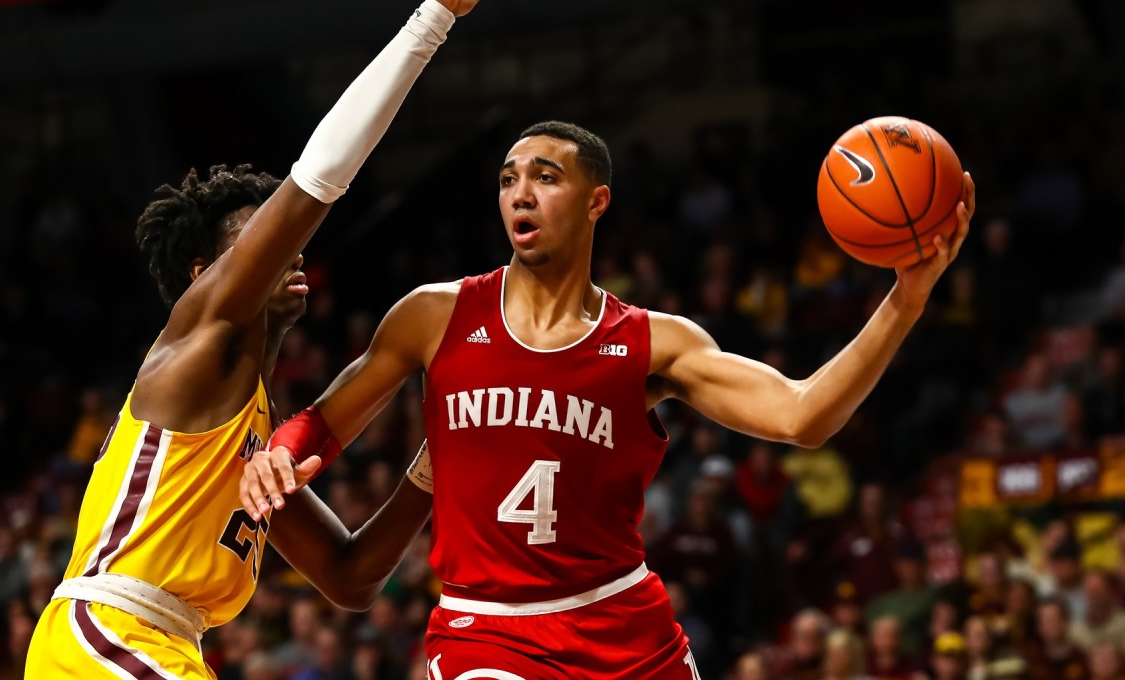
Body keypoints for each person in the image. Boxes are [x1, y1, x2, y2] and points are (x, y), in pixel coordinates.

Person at [242, 120, 976, 678]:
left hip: (626, 629)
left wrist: (905, 303)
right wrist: (278, 455)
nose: (520, 192)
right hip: (486, 629)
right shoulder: (434, 315)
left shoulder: (654, 343)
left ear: (596, 202)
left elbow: (804, 415)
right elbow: (322, 423)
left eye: (545, 176)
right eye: (507, 179)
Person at [24, 0, 494, 679]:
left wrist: (431, 463)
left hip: (170, 645)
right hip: (104, 631)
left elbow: (349, 577)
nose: (291, 250)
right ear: (209, 274)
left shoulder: (246, 429)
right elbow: (320, 178)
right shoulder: (198, 336)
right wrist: (432, 21)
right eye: (258, 240)